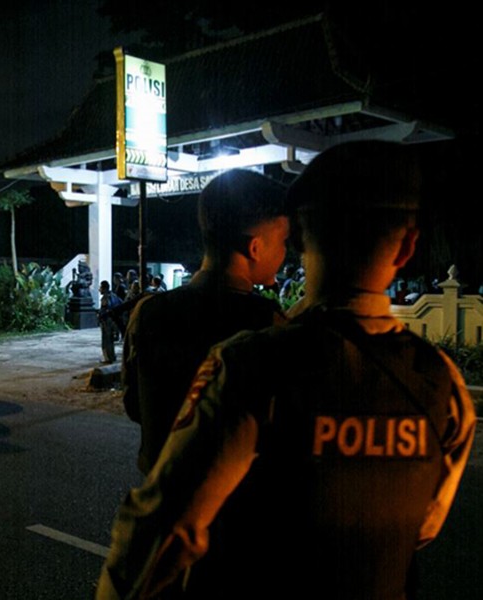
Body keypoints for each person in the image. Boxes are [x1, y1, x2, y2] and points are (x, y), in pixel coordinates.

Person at [97, 141, 476, 600]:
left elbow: (162, 529)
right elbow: (423, 528)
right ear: (409, 246)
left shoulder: (249, 363)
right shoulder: (444, 386)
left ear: (298, 238)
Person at [122, 169, 289, 474]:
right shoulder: (268, 323)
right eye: (282, 241)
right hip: (237, 503)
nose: (284, 253)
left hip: (161, 493)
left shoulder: (147, 313)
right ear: (255, 247)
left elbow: (135, 406)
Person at [98, 280, 122, 363]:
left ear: (104, 288)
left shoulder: (105, 297)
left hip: (107, 321)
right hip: (113, 320)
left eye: (100, 287)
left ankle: (108, 358)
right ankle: (112, 356)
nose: (99, 289)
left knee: (106, 340)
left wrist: (100, 315)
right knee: (110, 340)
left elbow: (105, 309)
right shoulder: (114, 296)